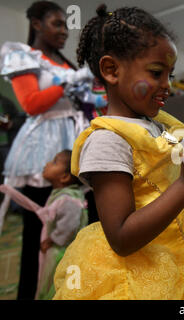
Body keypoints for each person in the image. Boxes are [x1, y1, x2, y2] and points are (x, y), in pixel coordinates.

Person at [52, 5, 184, 300]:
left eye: (170, 74)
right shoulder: (107, 141)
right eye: (156, 73)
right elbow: (122, 238)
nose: (167, 85)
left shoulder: (165, 124)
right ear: (111, 70)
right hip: (141, 276)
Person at [0, 1, 101, 300]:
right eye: (56, 23)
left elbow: (85, 103)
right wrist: (68, 83)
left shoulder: (66, 63)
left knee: (86, 221)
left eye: (64, 25)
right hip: (44, 151)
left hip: (77, 146)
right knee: (41, 229)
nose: (64, 31)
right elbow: (31, 104)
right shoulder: (21, 54)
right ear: (36, 23)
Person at [0, 150, 88, 299]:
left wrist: (52, 239)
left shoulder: (68, 199)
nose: (47, 164)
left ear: (65, 176)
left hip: (62, 251)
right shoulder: (60, 193)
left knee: (56, 281)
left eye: (54, 162)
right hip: (57, 247)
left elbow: (70, 225)